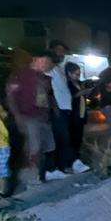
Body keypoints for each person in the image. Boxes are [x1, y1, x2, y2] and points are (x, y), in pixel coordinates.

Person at [7, 51, 65, 183]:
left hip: (43, 116)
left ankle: (46, 172)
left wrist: (55, 109)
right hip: (28, 116)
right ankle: (31, 177)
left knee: (49, 145)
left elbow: (49, 96)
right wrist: (17, 116)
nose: (47, 65)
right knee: (34, 147)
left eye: (49, 63)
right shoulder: (20, 75)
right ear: (36, 59)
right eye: (45, 62)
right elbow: (11, 96)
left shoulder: (43, 77)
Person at [46, 41, 89, 174]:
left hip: (66, 109)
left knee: (64, 138)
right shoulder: (50, 69)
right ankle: (71, 163)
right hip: (58, 109)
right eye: (59, 50)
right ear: (51, 51)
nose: (62, 54)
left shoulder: (59, 69)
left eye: (63, 51)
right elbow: (48, 89)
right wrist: (54, 107)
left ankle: (63, 166)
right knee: (63, 138)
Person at [65, 61, 88, 162]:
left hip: (81, 113)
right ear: (69, 73)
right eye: (76, 74)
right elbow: (72, 96)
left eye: (79, 74)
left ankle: (77, 158)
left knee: (79, 138)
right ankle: (72, 159)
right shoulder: (67, 83)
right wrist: (82, 92)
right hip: (73, 114)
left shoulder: (79, 83)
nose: (78, 76)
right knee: (73, 138)